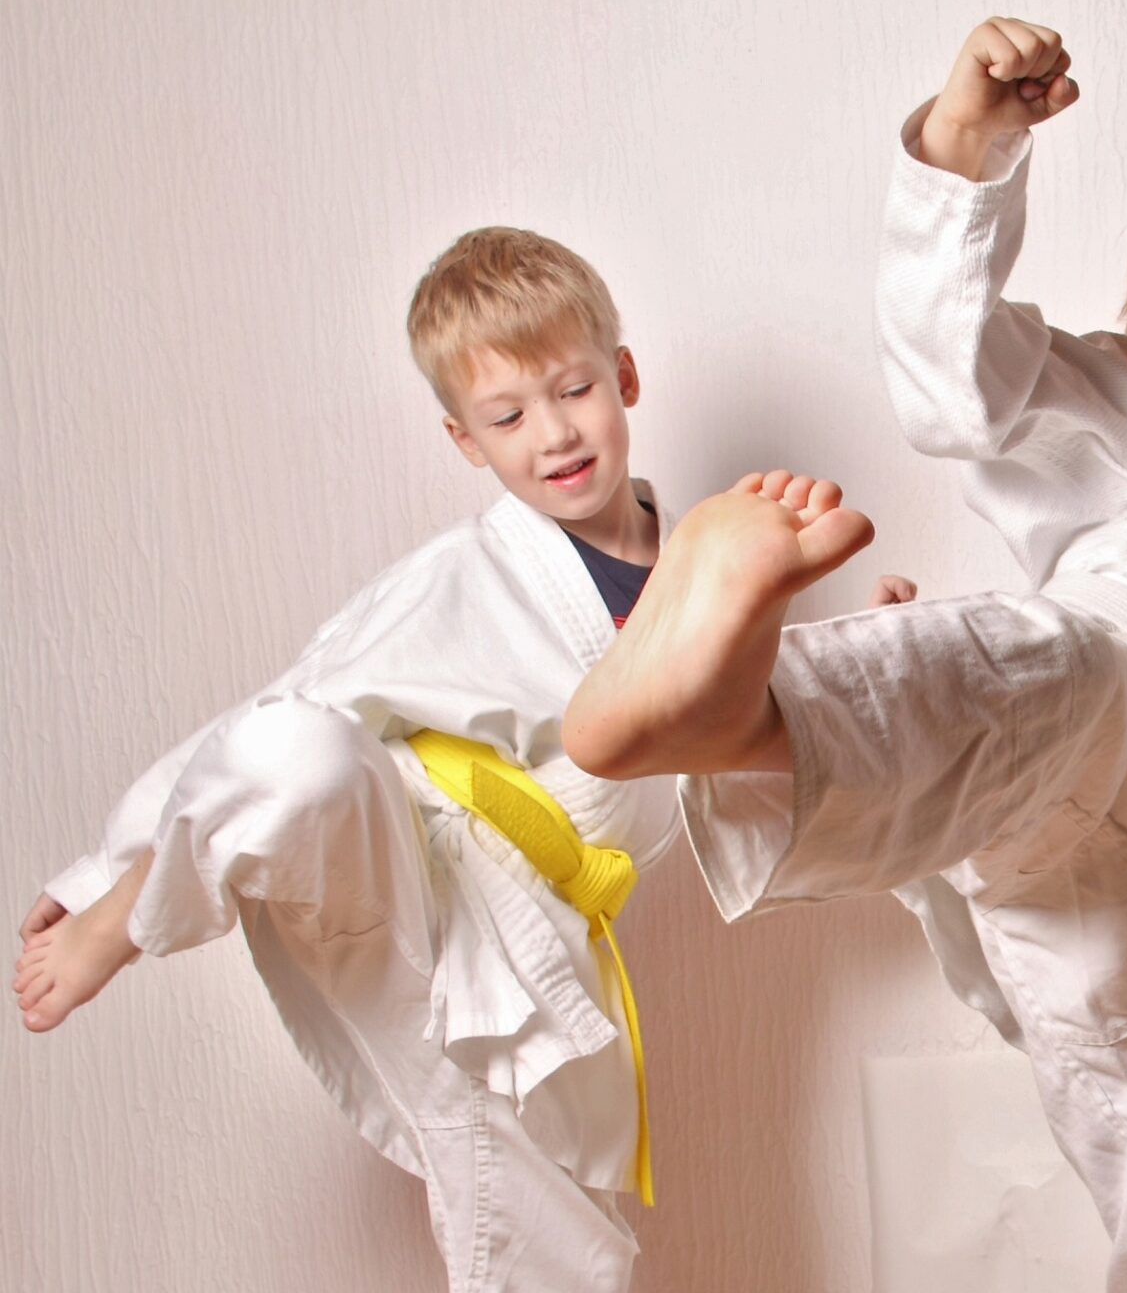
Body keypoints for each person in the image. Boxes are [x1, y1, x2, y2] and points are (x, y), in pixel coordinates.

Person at [561, 18, 1127, 1292]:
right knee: (1052, 667)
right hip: (1100, 714)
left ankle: (769, 706)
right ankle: (730, 698)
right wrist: (968, 152)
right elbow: (957, 383)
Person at [12, 227, 906, 1290]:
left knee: (558, 1240)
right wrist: (100, 884)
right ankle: (139, 906)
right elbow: (273, 715)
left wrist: (866, 654)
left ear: (624, 378)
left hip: (538, 937)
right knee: (297, 745)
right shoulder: (459, 579)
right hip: (392, 861)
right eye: (508, 416)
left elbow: (736, 728)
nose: (554, 434)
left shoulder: (700, 567)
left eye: (573, 390)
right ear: (464, 442)